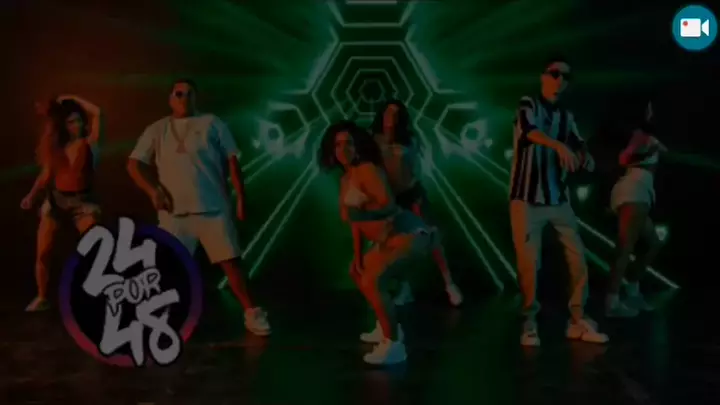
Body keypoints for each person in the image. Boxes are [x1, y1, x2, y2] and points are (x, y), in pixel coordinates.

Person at [127, 78, 270, 336]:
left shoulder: (212, 123)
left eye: (189, 93)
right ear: (170, 98)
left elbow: (233, 161)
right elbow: (134, 164)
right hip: (174, 213)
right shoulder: (157, 129)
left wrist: (241, 198)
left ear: (196, 97)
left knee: (232, 265)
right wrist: (153, 190)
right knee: (167, 268)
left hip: (213, 208)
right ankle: (163, 318)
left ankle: (252, 313)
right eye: (178, 93)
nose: (183, 98)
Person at [318, 120, 437, 365]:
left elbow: (388, 206)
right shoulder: (346, 179)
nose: (343, 149)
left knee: (373, 280)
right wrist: (358, 257)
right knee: (358, 273)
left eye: (349, 143)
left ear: (358, 146)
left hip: (409, 233)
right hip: (387, 239)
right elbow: (354, 223)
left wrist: (364, 211)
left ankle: (394, 345)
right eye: (338, 145)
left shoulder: (367, 169)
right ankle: (386, 326)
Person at [509, 57, 608, 347]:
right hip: (526, 199)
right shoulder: (528, 104)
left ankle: (577, 318)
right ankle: (529, 321)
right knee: (529, 263)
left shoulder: (566, 115)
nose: (560, 80)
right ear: (543, 76)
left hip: (557, 199)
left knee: (577, 257)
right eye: (554, 73)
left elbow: (577, 142)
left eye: (565, 76)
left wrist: (584, 155)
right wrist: (559, 146)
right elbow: (529, 131)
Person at [370, 100, 463, 307]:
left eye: (396, 114)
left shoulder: (409, 139)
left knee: (430, 238)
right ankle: (404, 287)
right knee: (393, 247)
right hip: (388, 200)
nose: (391, 118)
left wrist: (415, 194)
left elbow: (416, 167)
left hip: (411, 195)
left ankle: (449, 284)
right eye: (388, 113)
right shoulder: (374, 140)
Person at [21, 95, 103, 311]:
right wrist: (31, 196)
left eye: (78, 121)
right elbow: (46, 175)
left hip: (83, 202)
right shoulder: (56, 148)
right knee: (43, 252)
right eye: (71, 122)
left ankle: (95, 295)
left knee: (95, 248)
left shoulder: (89, 143)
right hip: (56, 200)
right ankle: (42, 297)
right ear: (64, 126)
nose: (76, 125)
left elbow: (97, 112)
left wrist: (72, 98)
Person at [605, 102, 666, 317]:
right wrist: (648, 147)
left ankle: (632, 291)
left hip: (640, 192)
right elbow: (624, 158)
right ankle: (612, 302)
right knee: (625, 247)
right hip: (634, 191)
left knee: (653, 244)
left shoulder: (650, 138)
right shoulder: (641, 136)